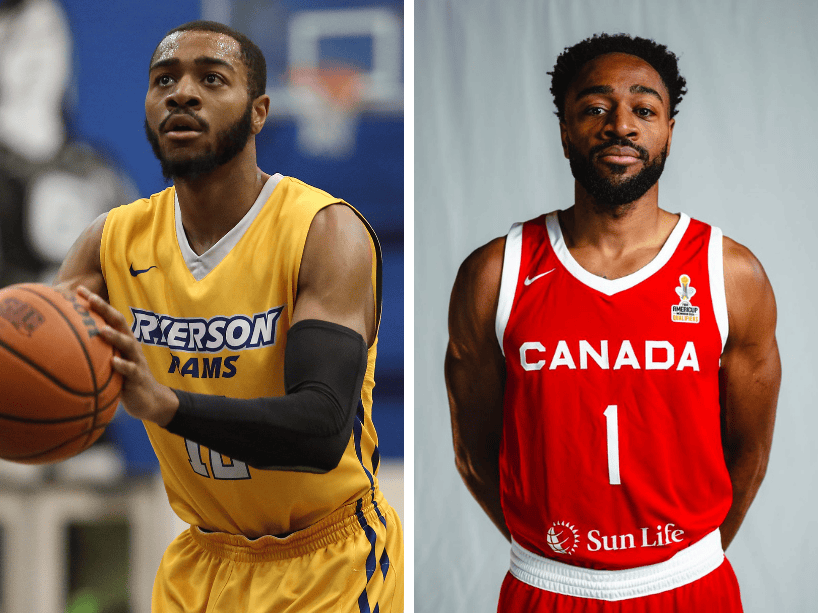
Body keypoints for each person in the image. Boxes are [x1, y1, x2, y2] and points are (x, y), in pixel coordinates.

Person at [55, 21, 403, 613]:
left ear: (259, 112)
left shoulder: (324, 232)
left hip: (329, 566)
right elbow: (32, 356)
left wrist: (165, 404)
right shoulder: (109, 243)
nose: (182, 94)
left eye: (211, 79)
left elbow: (321, 429)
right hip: (201, 564)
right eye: (164, 80)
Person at [446, 33, 779, 611]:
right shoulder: (496, 273)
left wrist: (682, 562)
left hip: (689, 586)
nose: (620, 126)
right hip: (548, 587)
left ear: (668, 131)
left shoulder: (729, 274)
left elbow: (749, 450)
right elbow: (474, 452)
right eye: (595, 108)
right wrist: (555, 555)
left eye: (643, 110)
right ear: (565, 132)